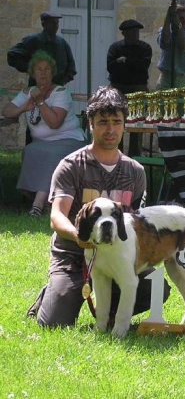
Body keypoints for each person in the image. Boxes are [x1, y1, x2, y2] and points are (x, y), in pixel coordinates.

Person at [26, 86, 170, 329]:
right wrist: (79, 238)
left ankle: (108, 314)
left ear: (125, 124)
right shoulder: (71, 166)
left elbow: (135, 224)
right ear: (90, 123)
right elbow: (57, 216)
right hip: (73, 254)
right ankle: (54, 294)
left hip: (116, 255)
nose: (111, 129)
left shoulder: (135, 172)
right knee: (54, 322)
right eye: (103, 122)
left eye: (117, 121)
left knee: (157, 287)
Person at [1, 50, 85, 217]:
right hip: (41, 143)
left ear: (52, 72)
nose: (43, 73)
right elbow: (7, 110)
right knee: (30, 150)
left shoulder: (61, 92)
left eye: (47, 69)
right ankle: (47, 200)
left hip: (69, 139)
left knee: (51, 154)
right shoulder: (27, 92)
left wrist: (40, 102)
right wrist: (23, 108)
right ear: (33, 73)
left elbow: (55, 123)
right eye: (39, 69)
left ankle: (37, 205)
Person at [107, 19, 153, 156]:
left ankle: (135, 156)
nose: (134, 35)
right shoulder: (115, 48)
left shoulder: (144, 47)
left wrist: (125, 61)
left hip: (138, 88)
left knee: (137, 124)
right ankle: (117, 154)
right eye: (131, 32)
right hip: (118, 88)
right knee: (117, 121)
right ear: (124, 34)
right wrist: (130, 65)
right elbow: (111, 67)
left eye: (136, 32)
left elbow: (142, 67)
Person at [7, 11, 77, 87]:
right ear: (44, 24)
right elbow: (12, 55)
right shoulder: (33, 40)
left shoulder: (62, 43)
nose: (56, 26)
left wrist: (61, 82)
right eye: (52, 23)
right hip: (36, 88)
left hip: (56, 90)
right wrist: (31, 69)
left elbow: (71, 68)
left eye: (57, 23)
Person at [156, 2, 185, 90]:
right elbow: (164, 42)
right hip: (166, 78)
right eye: (181, 18)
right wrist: (168, 18)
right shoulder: (163, 30)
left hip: (184, 79)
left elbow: (184, 47)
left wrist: (178, 26)